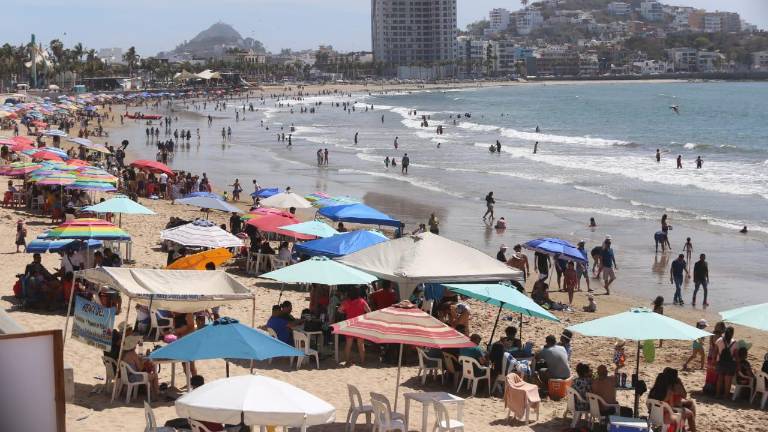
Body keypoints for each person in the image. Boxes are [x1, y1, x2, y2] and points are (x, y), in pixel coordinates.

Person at [339, 286, 371, 365]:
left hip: (350, 324)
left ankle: (347, 361)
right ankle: (362, 361)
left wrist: (345, 312)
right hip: (360, 324)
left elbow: (339, 310)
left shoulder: (347, 302)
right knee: (361, 344)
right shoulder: (362, 301)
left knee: (348, 344)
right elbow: (369, 311)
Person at [715, 326, 737, 399]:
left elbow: (715, 351)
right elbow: (735, 354)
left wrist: (714, 361)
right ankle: (726, 395)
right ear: (732, 333)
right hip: (730, 363)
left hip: (720, 361)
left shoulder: (719, 340)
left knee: (720, 378)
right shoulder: (734, 342)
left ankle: (717, 394)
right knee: (728, 380)